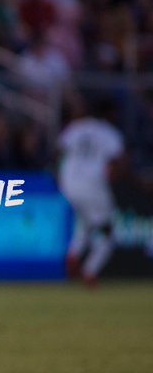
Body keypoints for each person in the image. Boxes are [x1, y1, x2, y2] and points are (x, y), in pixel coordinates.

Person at [57, 99, 126, 287]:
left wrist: (59, 177)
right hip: (93, 184)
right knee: (108, 230)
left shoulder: (77, 127)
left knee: (85, 222)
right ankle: (90, 271)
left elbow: (59, 151)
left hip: (69, 184)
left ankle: (74, 253)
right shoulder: (110, 133)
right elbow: (120, 163)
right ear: (110, 114)